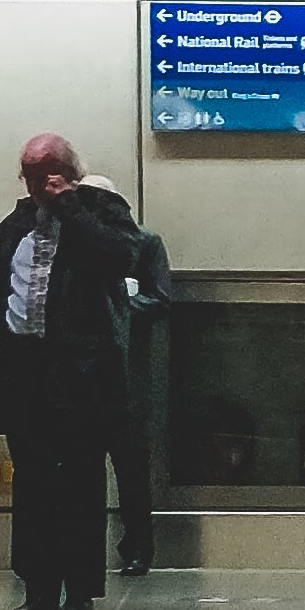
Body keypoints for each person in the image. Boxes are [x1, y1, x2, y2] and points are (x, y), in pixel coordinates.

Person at [0, 134, 147, 610]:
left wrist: (69, 204)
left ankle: (78, 593)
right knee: (33, 484)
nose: (34, 185)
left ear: (68, 171)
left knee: (80, 482)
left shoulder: (101, 209)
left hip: (82, 372)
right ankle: (38, 590)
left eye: (44, 174)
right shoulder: (16, 222)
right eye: (27, 175)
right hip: (23, 369)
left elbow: (118, 259)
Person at [106, 196, 175, 578]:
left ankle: (138, 545)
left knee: (132, 466)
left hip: (127, 370)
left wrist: (112, 303)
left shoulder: (144, 243)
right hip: (107, 368)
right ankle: (134, 546)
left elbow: (161, 299)